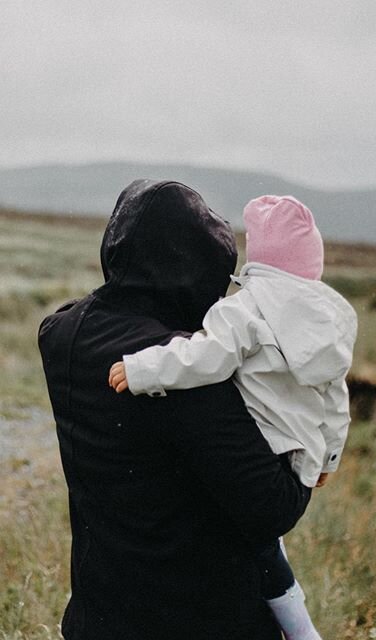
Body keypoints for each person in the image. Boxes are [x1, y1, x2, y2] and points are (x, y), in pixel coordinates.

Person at [38, 180, 311, 640]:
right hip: (200, 619)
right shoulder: (181, 369)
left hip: (98, 618)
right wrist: (309, 449)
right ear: (195, 272)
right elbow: (273, 508)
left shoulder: (61, 333)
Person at [108, 194, 358, 640]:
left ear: (260, 258)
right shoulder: (331, 322)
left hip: (257, 460)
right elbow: (335, 398)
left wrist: (142, 369)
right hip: (297, 467)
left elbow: (205, 359)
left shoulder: (246, 309)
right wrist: (327, 461)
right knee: (264, 547)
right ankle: (299, 626)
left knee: (241, 535)